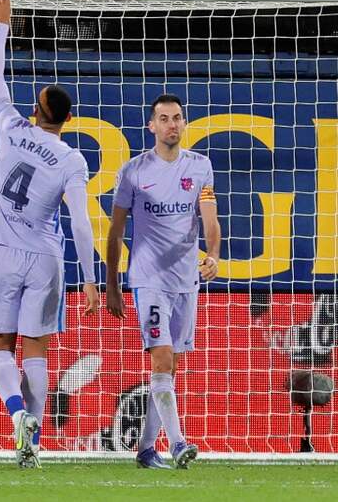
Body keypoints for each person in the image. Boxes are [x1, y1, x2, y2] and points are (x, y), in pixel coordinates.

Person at [0, 0, 99, 469]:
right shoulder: (72, 158)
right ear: (68, 120)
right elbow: (81, 222)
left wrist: (2, 25)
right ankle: (32, 442)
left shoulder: (10, 126)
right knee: (37, 350)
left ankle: (16, 416)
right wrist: (89, 279)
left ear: (35, 111)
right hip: (48, 257)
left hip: (5, 249)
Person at [105, 94, 221, 470]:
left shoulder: (200, 167)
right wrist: (112, 282)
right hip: (148, 278)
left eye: (177, 118)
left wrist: (213, 254)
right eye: (164, 119)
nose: (172, 124)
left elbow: (209, 218)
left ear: (184, 124)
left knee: (169, 369)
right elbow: (116, 229)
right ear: (151, 126)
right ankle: (178, 443)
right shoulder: (134, 171)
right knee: (162, 356)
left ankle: (144, 449)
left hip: (186, 279)